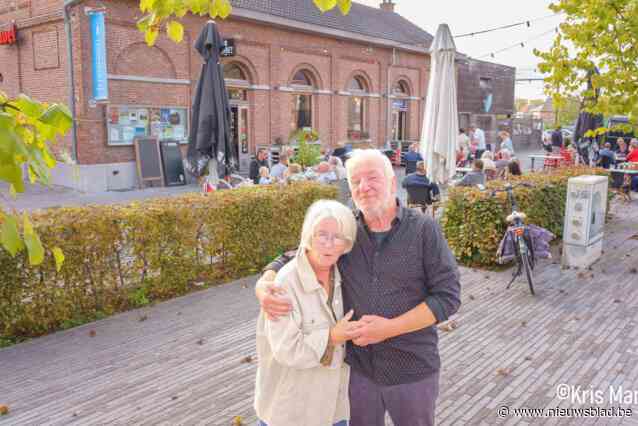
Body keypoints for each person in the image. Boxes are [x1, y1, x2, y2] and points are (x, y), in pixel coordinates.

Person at [256, 149, 461, 426]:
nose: (364, 187)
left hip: (412, 369)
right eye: (355, 181)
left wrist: (389, 328)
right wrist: (265, 281)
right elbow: (299, 253)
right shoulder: (345, 230)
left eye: (372, 178)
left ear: (392, 181)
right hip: (358, 372)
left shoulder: (425, 230)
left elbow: (447, 298)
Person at [254, 200, 357, 426]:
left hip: (333, 409)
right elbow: (287, 350)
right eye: (322, 234)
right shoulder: (284, 284)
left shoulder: (341, 274)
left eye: (337, 237)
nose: (329, 244)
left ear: (346, 245)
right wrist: (332, 337)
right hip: (292, 411)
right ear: (308, 236)